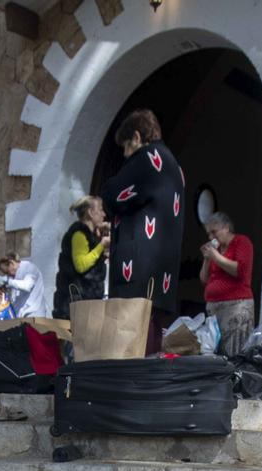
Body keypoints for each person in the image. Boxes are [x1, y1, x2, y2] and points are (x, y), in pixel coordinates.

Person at [102, 109, 185, 355]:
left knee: (132, 342)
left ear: (136, 137)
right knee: (152, 332)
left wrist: (109, 189)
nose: (126, 155)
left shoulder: (147, 158)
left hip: (138, 267)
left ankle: (131, 388)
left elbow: (114, 195)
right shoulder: (175, 167)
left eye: (126, 147)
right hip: (161, 274)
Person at [200, 211, 256, 358]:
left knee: (233, 353)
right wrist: (207, 260)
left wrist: (216, 257)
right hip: (214, 309)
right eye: (209, 234)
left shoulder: (241, 242)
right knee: (214, 352)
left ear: (226, 227)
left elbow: (240, 271)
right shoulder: (216, 251)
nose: (211, 238)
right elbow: (204, 279)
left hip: (235, 308)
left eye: (214, 232)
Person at [54, 195, 110, 320]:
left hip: (86, 302)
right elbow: (81, 265)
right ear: (90, 212)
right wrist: (101, 245)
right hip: (74, 305)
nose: (104, 214)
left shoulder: (91, 235)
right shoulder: (79, 234)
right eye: (100, 209)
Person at [0, 253, 49, 319]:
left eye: (7, 272)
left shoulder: (29, 267)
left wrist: (8, 281)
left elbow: (27, 286)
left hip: (34, 313)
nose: (8, 275)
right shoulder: (14, 275)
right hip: (21, 315)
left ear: (11, 263)